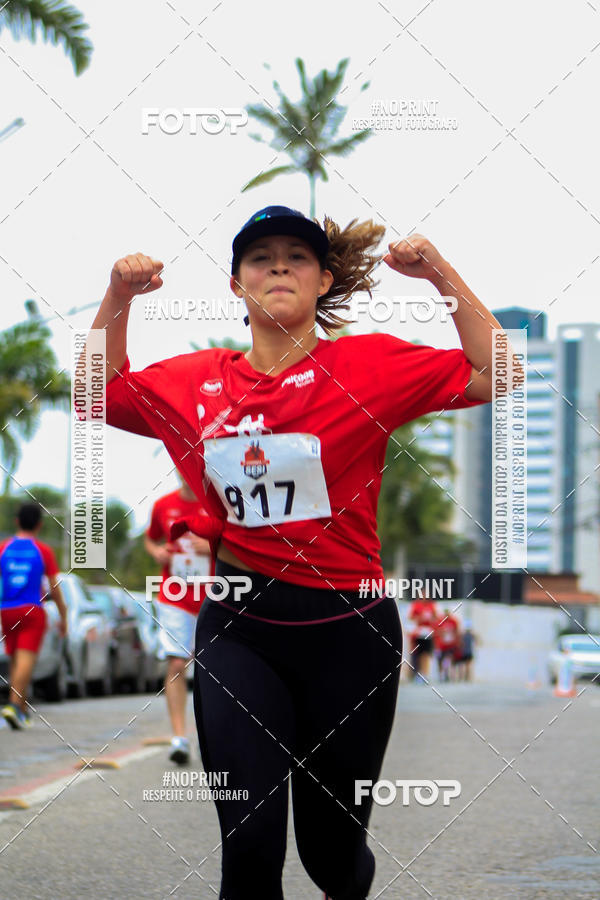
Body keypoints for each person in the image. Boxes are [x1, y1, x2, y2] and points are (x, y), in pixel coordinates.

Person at [87, 204, 499, 899]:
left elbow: (501, 372)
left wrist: (439, 275)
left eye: (297, 256)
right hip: (241, 626)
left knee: (331, 856)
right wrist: (118, 296)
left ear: (323, 279)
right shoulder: (194, 381)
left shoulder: (370, 366)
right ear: (236, 284)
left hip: (350, 633)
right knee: (247, 844)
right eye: (260, 256)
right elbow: (92, 391)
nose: (278, 264)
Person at [144, 479, 211, 764]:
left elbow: (237, 539)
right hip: (174, 595)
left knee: (214, 669)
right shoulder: (163, 505)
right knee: (176, 662)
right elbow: (151, 538)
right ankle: (180, 738)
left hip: (214, 595)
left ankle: (215, 736)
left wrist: (212, 545)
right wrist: (157, 551)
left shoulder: (215, 502)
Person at [0, 502, 67, 728]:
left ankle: (22, 711)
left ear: (16, 521)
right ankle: (12, 704)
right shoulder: (43, 550)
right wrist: (63, 615)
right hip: (31, 611)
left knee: (16, 660)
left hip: (7, 610)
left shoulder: (3, 548)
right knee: (26, 660)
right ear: (39, 525)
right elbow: (54, 588)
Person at [407, 596, 439, 682]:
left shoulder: (431, 605)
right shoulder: (417, 605)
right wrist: (419, 618)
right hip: (420, 633)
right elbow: (411, 617)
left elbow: (436, 617)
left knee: (427, 654)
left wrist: (432, 620)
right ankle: (419, 673)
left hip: (428, 632)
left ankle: (425, 673)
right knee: (420, 654)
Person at [434, 607, 460, 682]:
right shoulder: (440, 621)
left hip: (450, 645)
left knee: (448, 659)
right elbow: (436, 632)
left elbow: (457, 632)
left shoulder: (453, 621)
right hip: (442, 645)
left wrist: (457, 642)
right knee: (440, 661)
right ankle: (441, 674)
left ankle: (447, 673)